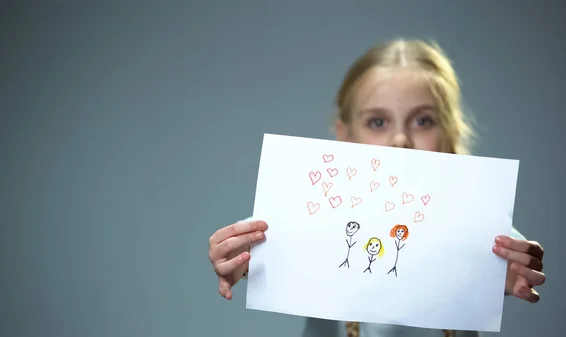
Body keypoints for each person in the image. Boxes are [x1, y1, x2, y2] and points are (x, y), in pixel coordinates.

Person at [207, 38, 546, 337]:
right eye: (378, 122)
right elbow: (268, 254)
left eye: (423, 120)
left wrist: (511, 271)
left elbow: (509, 268)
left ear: (451, 133)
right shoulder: (310, 215)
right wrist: (242, 256)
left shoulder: (480, 223)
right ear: (345, 135)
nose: (400, 139)